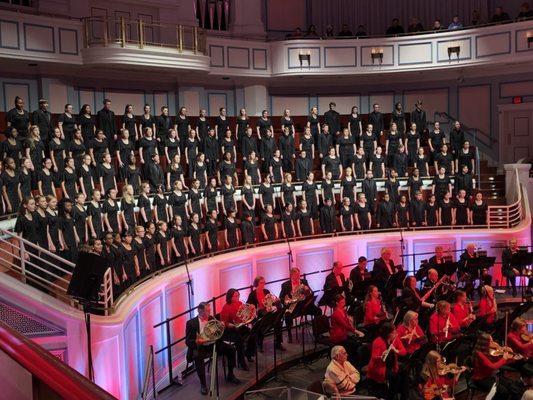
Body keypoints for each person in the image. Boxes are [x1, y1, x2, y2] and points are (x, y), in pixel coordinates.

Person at [185, 302, 240, 395]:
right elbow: (188, 341)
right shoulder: (191, 323)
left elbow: (219, 335)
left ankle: (230, 374)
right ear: (200, 310)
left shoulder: (212, 319)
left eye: (209, 310)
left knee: (231, 349)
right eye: (207, 311)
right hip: (201, 347)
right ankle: (203, 384)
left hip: (214, 344)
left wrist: (222, 327)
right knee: (198, 356)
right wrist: (197, 342)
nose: (209, 313)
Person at [279, 267, 321, 342]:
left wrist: (307, 291)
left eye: (299, 275)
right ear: (291, 275)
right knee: (287, 315)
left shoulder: (304, 282)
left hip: (305, 305)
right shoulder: (285, 285)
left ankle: (317, 332)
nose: (299, 277)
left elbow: (312, 293)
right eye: (296, 275)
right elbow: (281, 297)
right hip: (293, 307)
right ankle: (289, 335)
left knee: (318, 311)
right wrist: (286, 301)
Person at [366, 322, 406, 400]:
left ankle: (404, 395)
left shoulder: (395, 339)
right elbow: (374, 358)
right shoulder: (378, 341)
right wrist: (381, 356)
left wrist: (396, 351)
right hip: (379, 367)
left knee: (405, 371)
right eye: (394, 332)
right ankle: (391, 396)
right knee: (396, 377)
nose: (396, 333)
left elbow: (404, 351)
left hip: (392, 364)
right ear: (388, 334)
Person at [220, 289, 255, 369]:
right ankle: (241, 362)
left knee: (253, 333)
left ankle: (248, 353)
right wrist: (233, 325)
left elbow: (245, 314)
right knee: (239, 340)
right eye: (236, 296)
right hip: (230, 330)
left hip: (240, 326)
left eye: (238, 295)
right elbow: (224, 323)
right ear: (230, 297)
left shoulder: (240, 303)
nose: (238, 297)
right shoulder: (226, 307)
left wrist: (251, 309)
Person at [246, 276, 284, 351]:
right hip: (259, 314)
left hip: (268, 312)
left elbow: (271, 302)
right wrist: (256, 308)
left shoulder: (266, 291)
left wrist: (275, 300)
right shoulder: (252, 294)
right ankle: (259, 344)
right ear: (256, 284)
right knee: (260, 323)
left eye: (264, 282)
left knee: (278, 322)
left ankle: (278, 343)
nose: (263, 284)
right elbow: (249, 308)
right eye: (261, 283)